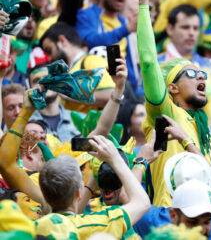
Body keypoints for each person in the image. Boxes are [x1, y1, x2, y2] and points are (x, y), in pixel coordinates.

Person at [0, 90, 151, 240]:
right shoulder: (91, 224)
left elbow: (5, 163)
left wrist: (26, 111)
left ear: (43, 193)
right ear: (79, 192)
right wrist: (119, 160)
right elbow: (142, 203)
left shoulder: (31, 227)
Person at [133, 0, 211, 207]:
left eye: (202, 74)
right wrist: (144, 3)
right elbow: (150, 63)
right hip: (171, 219)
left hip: (207, 219)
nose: (201, 77)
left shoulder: (205, 133)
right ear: (172, 88)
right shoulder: (165, 113)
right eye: (191, 74)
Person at [133, 115, 211, 239]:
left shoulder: (160, 223)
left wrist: (140, 162)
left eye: (206, 221)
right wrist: (186, 140)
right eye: (192, 221)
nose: (201, 230)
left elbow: (131, 198)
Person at [39, 21, 115, 113]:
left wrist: (69, 94)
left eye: (49, 50)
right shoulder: (66, 73)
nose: (49, 58)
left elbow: (111, 95)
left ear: (62, 40)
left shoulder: (91, 61)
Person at [27, 64, 79, 142]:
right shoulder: (24, 125)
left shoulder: (80, 120)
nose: (44, 83)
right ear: (30, 89)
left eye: (48, 78)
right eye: (37, 81)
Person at [158, 4, 211, 73]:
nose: (191, 33)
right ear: (170, 29)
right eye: (185, 27)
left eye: (195, 28)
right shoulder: (157, 66)